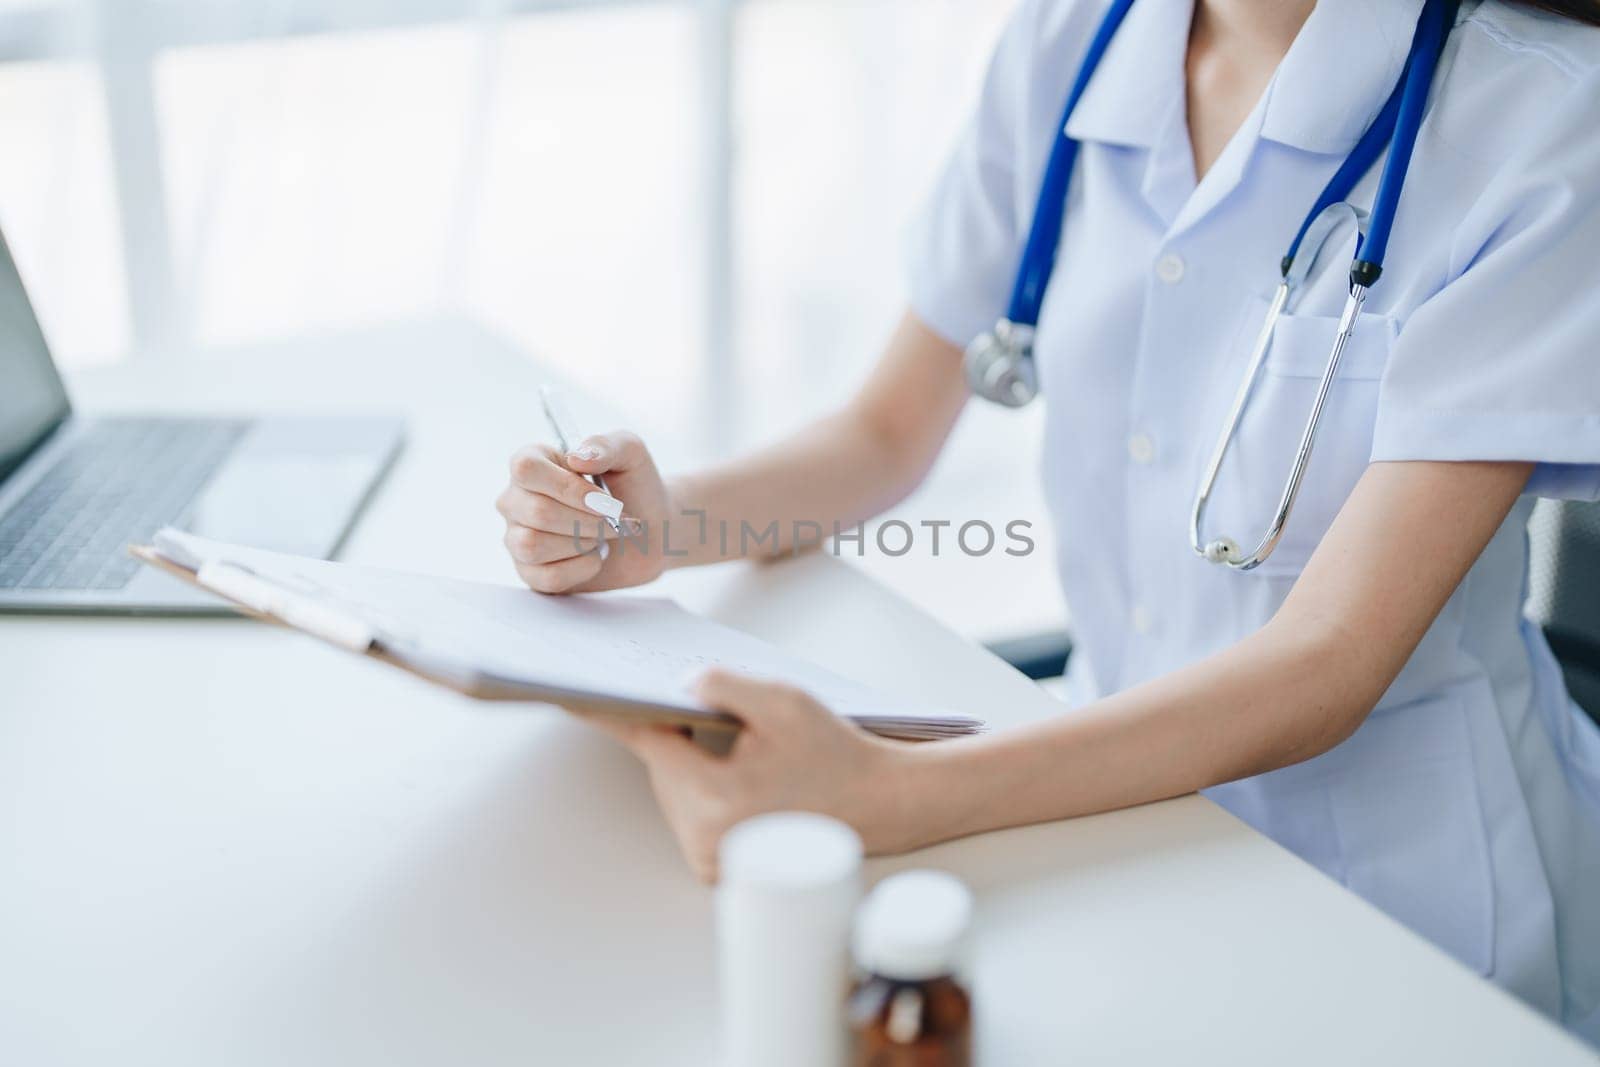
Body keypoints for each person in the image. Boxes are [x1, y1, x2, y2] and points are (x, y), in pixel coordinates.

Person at [495, 0, 1600, 1037]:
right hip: (1108, 813)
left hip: (1404, 905)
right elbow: (883, 432)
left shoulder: (1544, 123)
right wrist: (664, 528)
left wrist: (885, 792)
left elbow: (1327, 657)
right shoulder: (1076, 37)